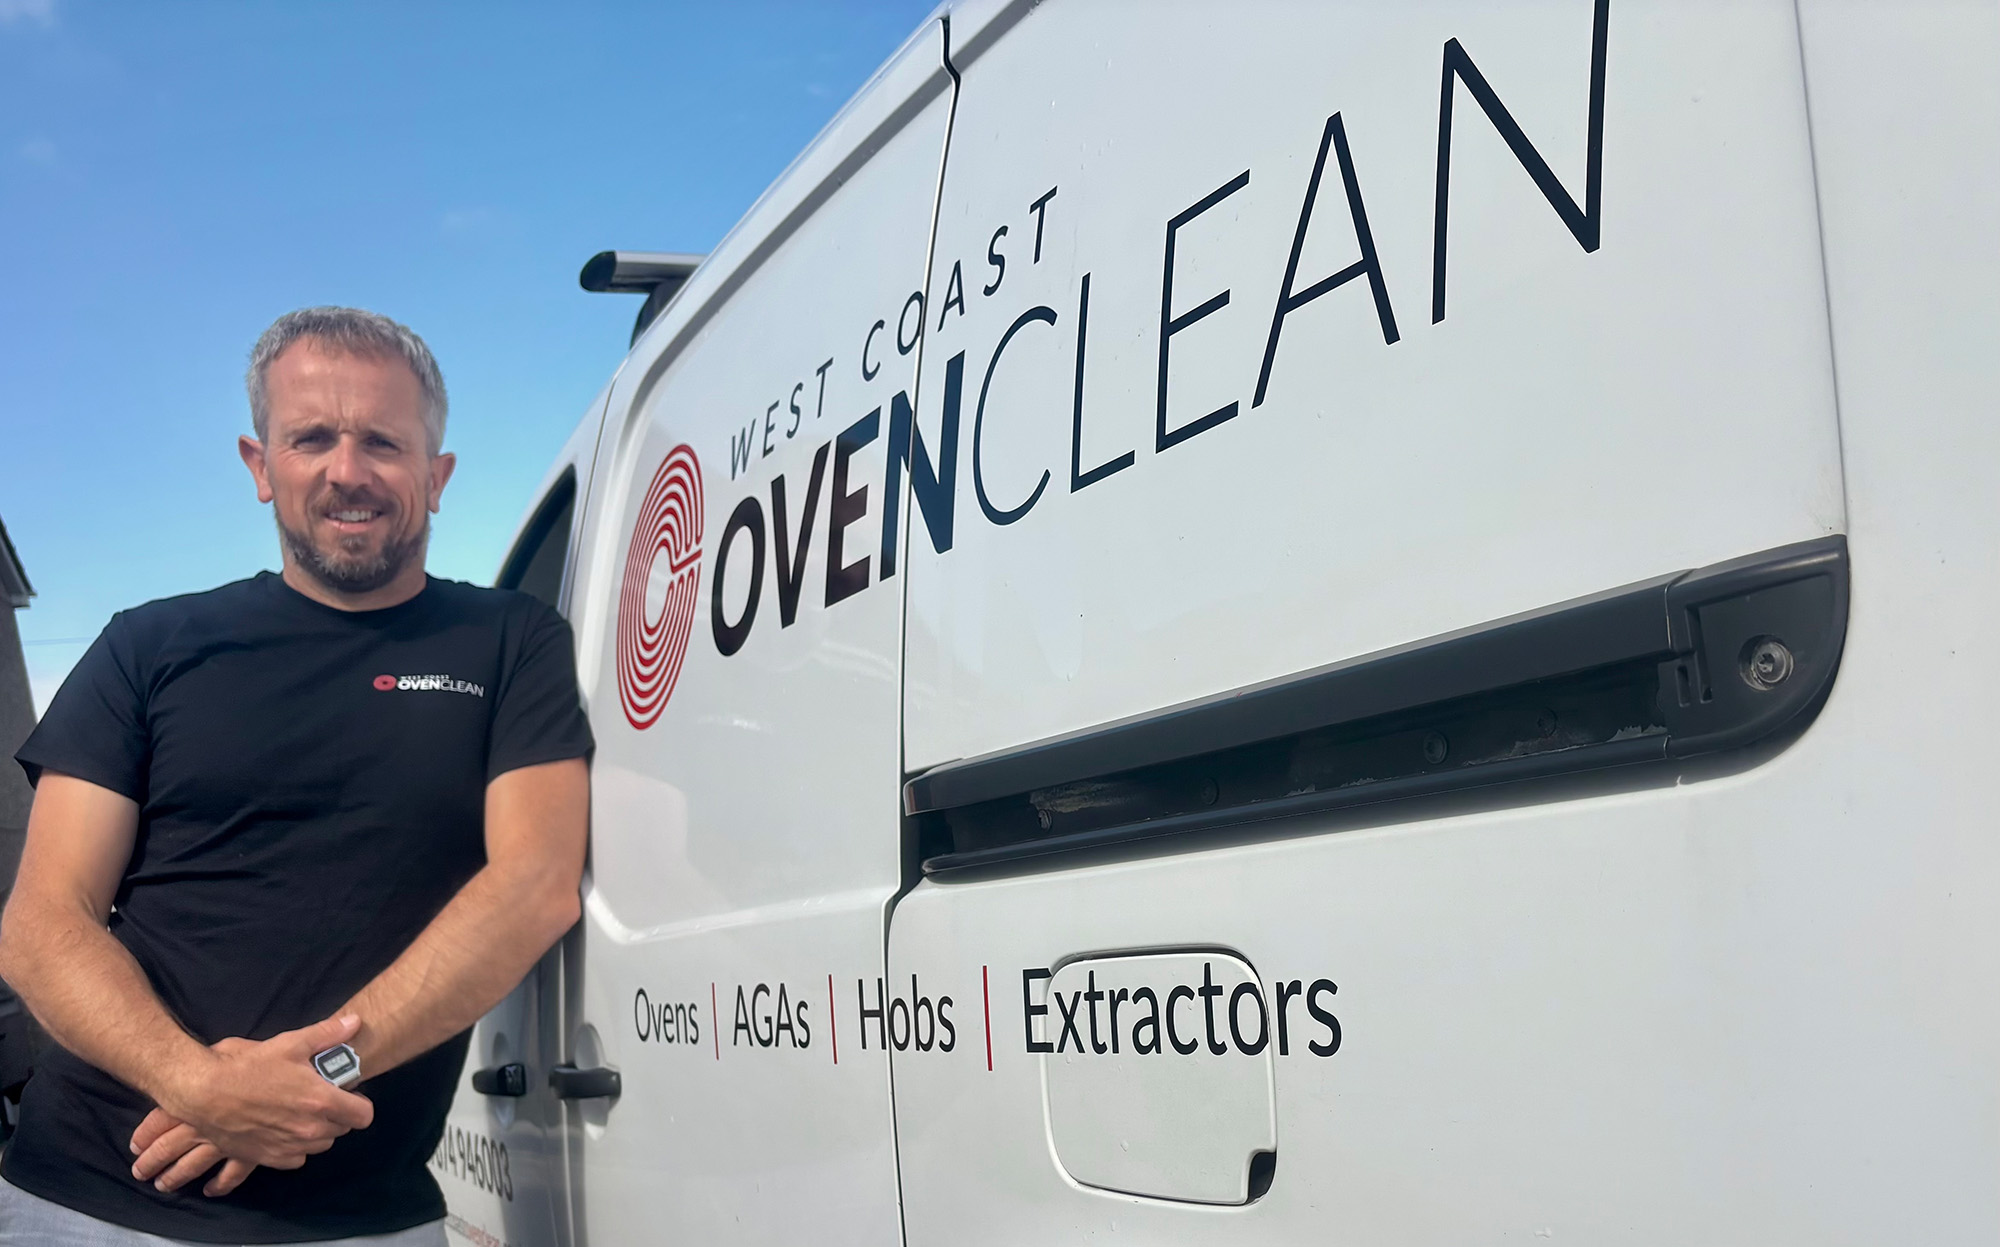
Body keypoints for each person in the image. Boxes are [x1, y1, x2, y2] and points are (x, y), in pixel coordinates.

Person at [0, 307, 593, 1245]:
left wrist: (316, 1077)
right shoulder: (148, 645)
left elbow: (535, 884)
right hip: (85, 1200)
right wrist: (199, 1085)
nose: (346, 471)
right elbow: (41, 922)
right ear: (259, 464)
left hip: (365, 1217)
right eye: (311, 437)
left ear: (437, 478)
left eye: (382, 443)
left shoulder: (512, 643)